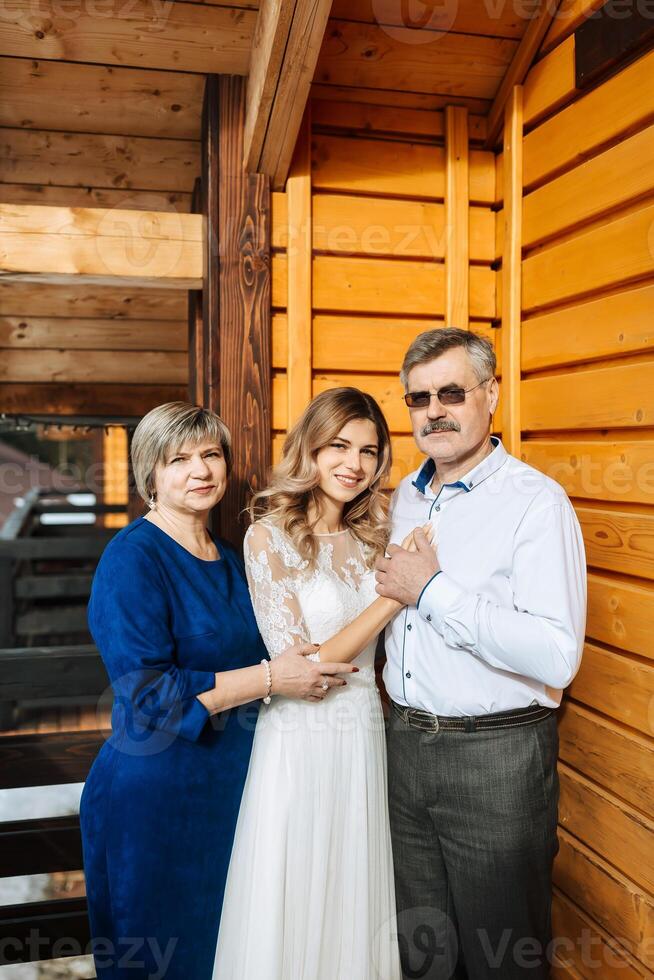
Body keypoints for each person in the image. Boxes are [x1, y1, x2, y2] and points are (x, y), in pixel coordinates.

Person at [79, 402, 356, 980]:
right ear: (150, 474)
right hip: (155, 799)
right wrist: (272, 678)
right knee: (160, 960)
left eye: (210, 455)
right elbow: (147, 696)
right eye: (178, 460)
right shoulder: (131, 559)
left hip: (230, 792)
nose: (199, 470)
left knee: (221, 958)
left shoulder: (230, 559)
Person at [374, 328, 587, 979]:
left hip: (494, 759)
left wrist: (433, 590)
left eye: (450, 392)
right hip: (404, 749)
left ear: (490, 394)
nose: (433, 410)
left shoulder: (535, 504)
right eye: (418, 399)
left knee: (502, 957)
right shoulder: (402, 498)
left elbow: (556, 655)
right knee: (424, 956)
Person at [213, 387, 426, 980]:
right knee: (298, 885)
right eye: (338, 446)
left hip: (363, 735)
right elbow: (312, 666)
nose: (353, 464)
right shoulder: (268, 536)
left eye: (367, 450)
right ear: (309, 447)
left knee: (353, 889)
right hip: (302, 736)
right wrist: (396, 593)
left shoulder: (375, 532)